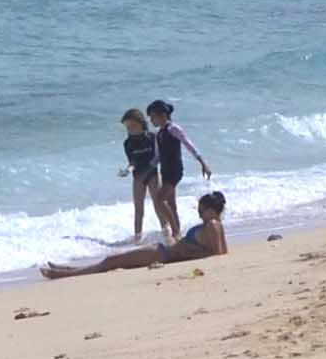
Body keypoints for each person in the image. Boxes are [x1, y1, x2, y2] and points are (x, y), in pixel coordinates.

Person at [45, 190, 226, 276]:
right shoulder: (217, 225)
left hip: (163, 254)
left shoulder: (211, 225)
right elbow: (222, 252)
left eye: (201, 210)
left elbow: (216, 255)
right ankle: (68, 270)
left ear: (210, 210)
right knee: (112, 261)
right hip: (164, 251)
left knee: (112, 261)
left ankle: (67, 273)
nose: (199, 213)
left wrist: (187, 253)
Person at [146, 100, 213, 239]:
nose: (151, 120)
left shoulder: (173, 129)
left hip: (174, 170)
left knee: (159, 200)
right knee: (171, 203)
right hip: (165, 170)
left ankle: (175, 231)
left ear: (163, 115)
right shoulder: (159, 134)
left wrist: (203, 162)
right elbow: (159, 156)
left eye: (153, 116)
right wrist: (148, 168)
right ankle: (178, 233)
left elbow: (188, 144)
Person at [117, 108, 162, 240]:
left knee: (158, 204)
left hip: (152, 175)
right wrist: (127, 170)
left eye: (132, 126)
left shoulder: (152, 137)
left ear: (141, 123)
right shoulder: (128, 143)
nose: (130, 129)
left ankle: (165, 229)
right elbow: (132, 162)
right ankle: (138, 236)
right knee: (138, 208)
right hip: (138, 177)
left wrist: (149, 170)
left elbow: (157, 158)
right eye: (127, 127)